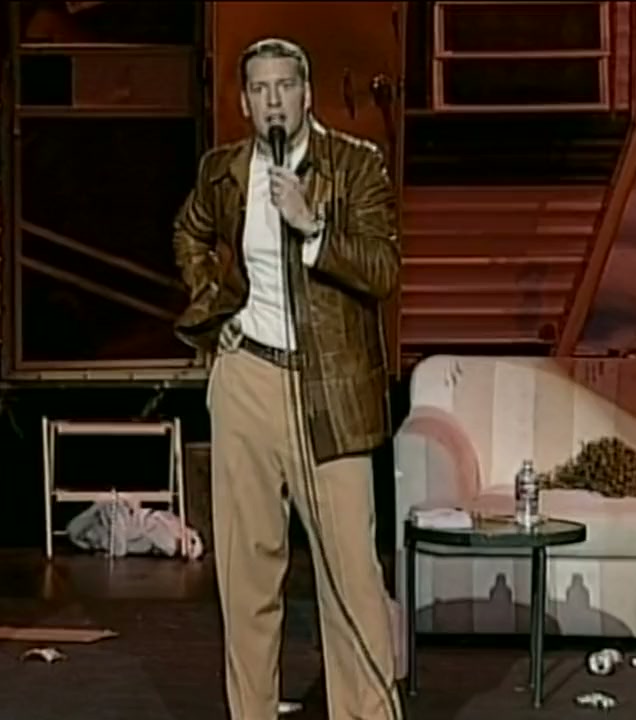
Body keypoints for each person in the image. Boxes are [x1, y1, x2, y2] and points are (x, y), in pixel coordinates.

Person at [172, 37, 403, 720]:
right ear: (245, 103)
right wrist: (216, 312)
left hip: (328, 389)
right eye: (260, 89)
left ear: (308, 95)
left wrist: (312, 225)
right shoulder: (224, 171)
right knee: (247, 573)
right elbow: (189, 233)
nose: (273, 101)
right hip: (246, 379)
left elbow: (383, 271)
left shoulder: (355, 166)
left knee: (352, 575)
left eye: (285, 86)